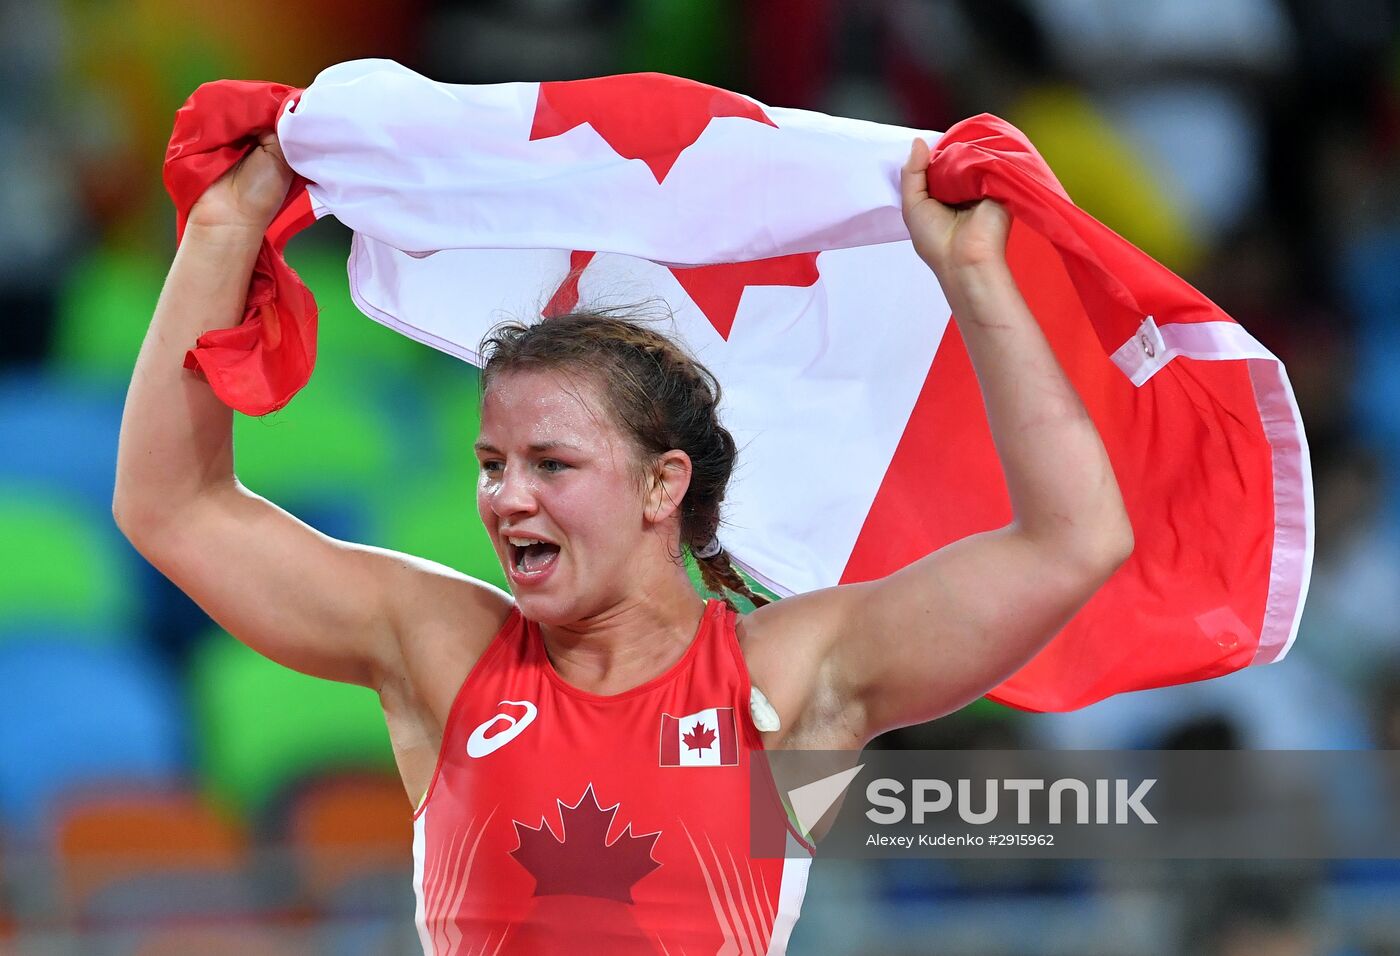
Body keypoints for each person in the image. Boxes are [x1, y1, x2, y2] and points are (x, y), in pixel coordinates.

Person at [113, 129, 1133, 954]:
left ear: (660, 484)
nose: (507, 497)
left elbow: (1071, 538)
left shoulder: (789, 677)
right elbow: (172, 506)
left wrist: (971, 274)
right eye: (490, 462)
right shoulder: (443, 647)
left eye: (550, 464)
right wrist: (224, 226)